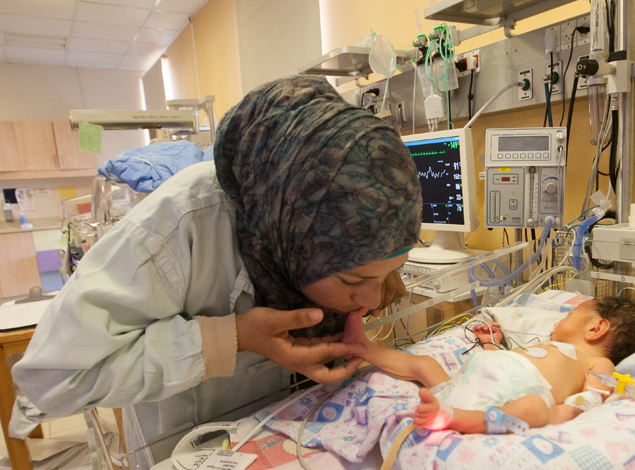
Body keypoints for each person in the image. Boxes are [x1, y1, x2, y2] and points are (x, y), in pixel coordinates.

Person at [10, 76, 422, 454]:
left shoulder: (309, 226)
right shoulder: (178, 227)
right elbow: (50, 382)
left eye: (387, 272)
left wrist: (378, 275)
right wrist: (232, 338)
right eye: (353, 277)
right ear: (289, 234)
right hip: (192, 448)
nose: (369, 299)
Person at [344, 297, 635, 434]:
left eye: (568, 316)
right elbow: (518, 362)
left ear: (595, 329)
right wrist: (492, 347)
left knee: (534, 408)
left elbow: (591, 395)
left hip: (502, 404)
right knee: (425, 365)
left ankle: (455, 418)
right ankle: (364, 348)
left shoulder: (598, 360)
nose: (558, 321)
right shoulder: (551, 346)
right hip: (471, 380)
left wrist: (561, 413)